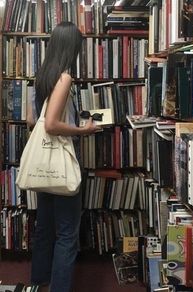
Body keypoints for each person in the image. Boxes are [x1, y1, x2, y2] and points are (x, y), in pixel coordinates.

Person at [30, 22, 100, 292]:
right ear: (72, 48)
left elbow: (32, 121)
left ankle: (39, 281)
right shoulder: (64, 77)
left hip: (44, 163)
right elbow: (50, 124)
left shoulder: (43, 75)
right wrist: (84, 129)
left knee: (45, 226)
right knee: (68, 233)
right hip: (61, 162)